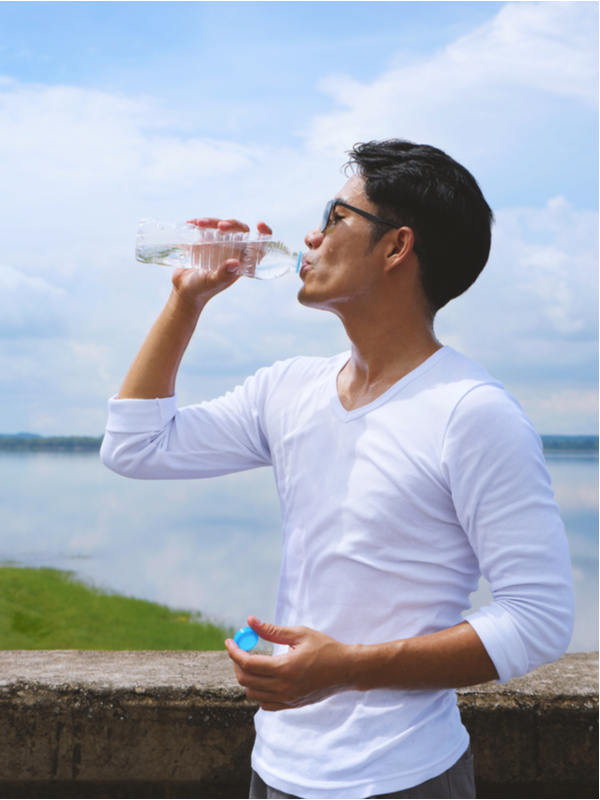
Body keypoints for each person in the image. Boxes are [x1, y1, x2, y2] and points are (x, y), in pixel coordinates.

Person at [101, 140, 574, 799]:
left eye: (337, 214)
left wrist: (348, 669)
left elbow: (539, 616)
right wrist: (187, 301)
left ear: (395, 248)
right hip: (277, 769)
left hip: (405, 777)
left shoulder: (472, 413)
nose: (310, 236)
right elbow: (136, 447)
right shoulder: (288, 389)